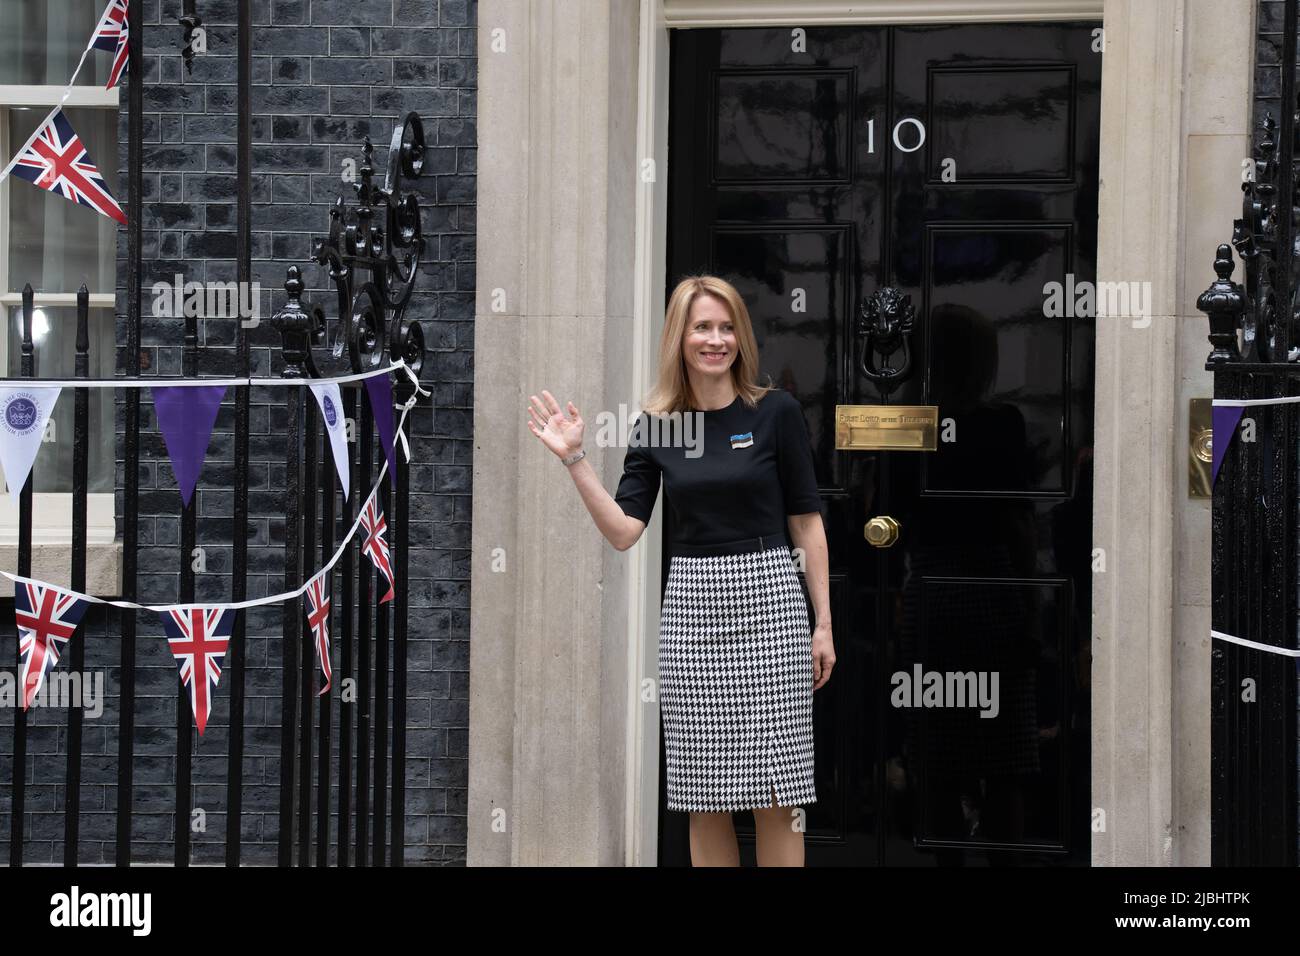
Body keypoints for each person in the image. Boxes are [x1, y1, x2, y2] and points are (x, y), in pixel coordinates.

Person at [525, 274, 834, 867]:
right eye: (702, 328)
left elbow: (807, 523)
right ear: (680, 337)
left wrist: (824, 622)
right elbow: (623, 531)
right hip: (693, 611)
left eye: (725, 328)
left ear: (740, 337)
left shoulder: (776, 413)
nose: (715, 340)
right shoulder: (657, 425)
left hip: (772, 603)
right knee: (706, 795)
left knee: (779, 791)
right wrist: (575, 460)